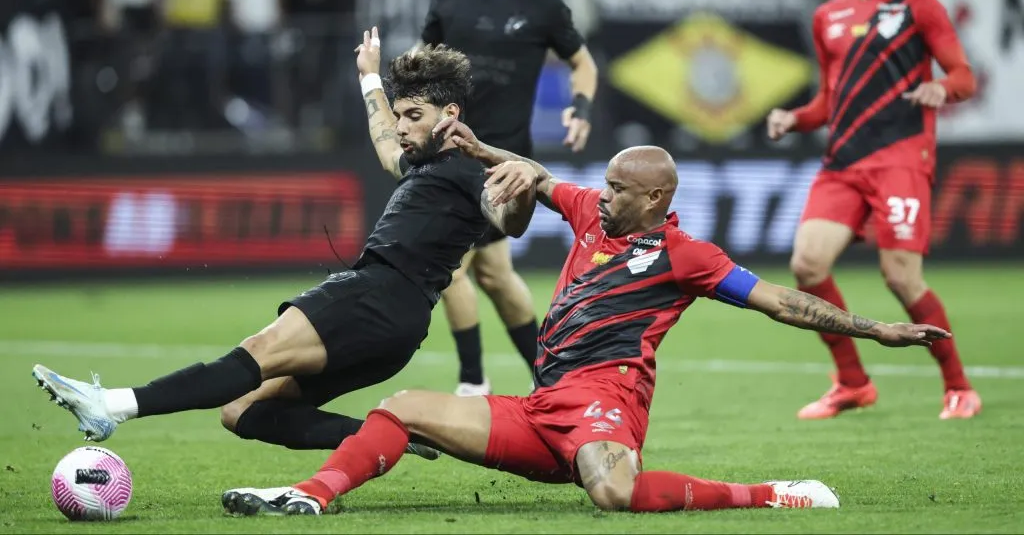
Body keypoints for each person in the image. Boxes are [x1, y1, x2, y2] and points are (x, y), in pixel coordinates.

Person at [219, 120, 950, 517]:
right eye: (603, 185)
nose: (600, 197)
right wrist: (482, 151)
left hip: (607, 405)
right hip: (542, 407)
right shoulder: (591, 217)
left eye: (618, 191)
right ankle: (310, 497)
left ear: (657, 200)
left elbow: (781, 302)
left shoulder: (687, 255)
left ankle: (770, 493)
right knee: (400, 407)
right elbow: (539, 180)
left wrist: (877, 330)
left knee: (611, 492)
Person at [30, 28, 538, 460]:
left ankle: (110, 405)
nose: (402, 127)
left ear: (450, 113)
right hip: (396, 329)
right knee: (242, 411)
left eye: (414, 115)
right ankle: (387, 436)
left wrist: (515, 182)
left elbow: (509, 219)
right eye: (401, 114)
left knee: (253, 353)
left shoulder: (474, 173)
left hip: (376, 294)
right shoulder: (428, 164)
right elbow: (386, 146)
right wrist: (368, 77)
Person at [765, 0, 981, 420]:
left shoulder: (918, 6)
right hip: (842, 162)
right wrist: (796, 118)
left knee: (901, 277)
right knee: (806, 264)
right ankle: (853, 383)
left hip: (900, 158)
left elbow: (963, 75)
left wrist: (943, 89)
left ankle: (959, 387)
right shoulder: (829, 15)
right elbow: (828, 99)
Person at [417, 0, 599, 396]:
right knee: (493, 273)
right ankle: (550, 377)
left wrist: (582, 109)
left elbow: (584, 65)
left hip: (505, 161)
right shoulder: (449, 0)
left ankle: (474, 380)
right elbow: (420, 66)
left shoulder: (543, 6)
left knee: (451, 269)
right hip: (450, 152)